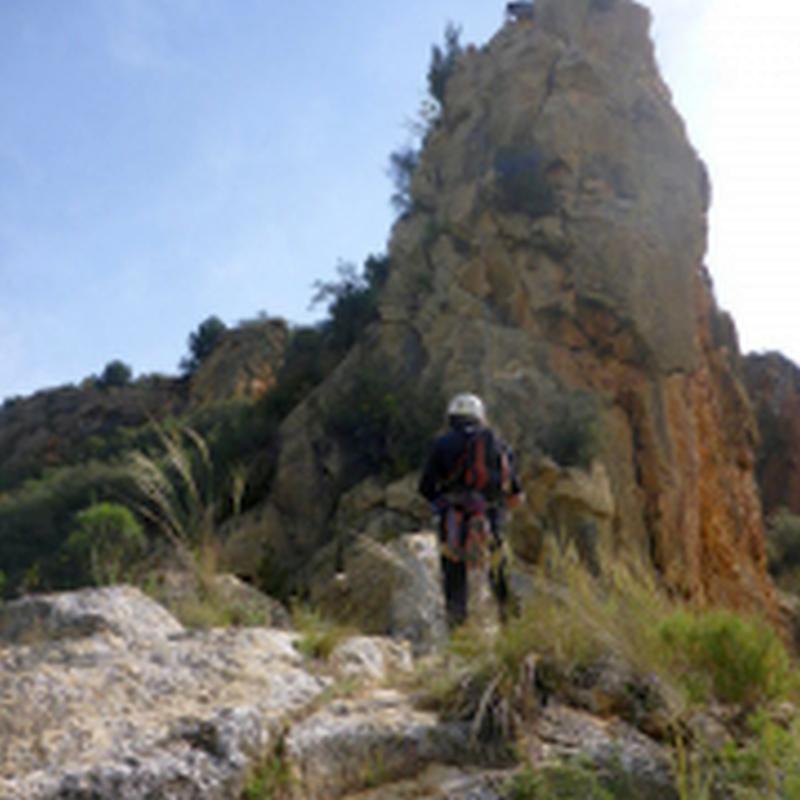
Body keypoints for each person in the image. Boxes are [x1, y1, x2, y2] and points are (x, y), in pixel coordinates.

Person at [419, 392, 523, 627]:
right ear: (480, 416)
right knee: (499, 572)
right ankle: (511, 624)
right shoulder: (500, 445)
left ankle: (457, 629)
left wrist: (442, 504)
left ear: (452, 417)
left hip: (454, 517)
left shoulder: (442, 444)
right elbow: (515, 492)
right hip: (490, 516)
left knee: (454, 576)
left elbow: (426, 487)